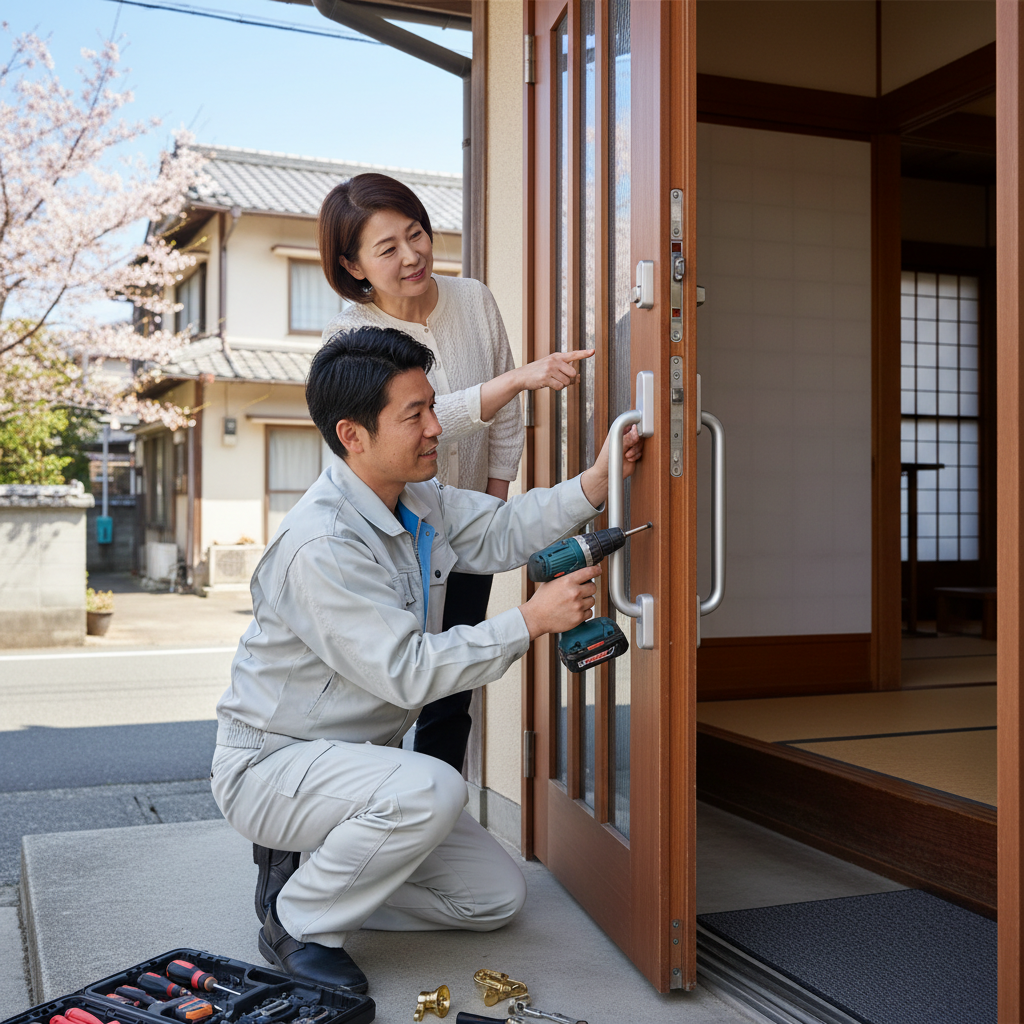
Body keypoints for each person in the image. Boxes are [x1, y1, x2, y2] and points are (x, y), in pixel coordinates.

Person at [210, 326, 642, 991]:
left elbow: (500, 530)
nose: (437, 427)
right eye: (415, 415)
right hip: (274, 767)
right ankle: (298, 920)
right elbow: (409, 670)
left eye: (432, 406)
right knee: (435, 786)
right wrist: (529, 621)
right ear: (353, 435)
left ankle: (318, 871)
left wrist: (593, 483)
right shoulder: (321, 544)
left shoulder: (415, 498)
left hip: (356, 766)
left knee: (493, 897)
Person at [317, 172, 593, 775]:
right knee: (384, 687)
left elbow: (504, 419)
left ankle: (435, 823)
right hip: (390, 534)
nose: (412, 255)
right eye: (387, 249)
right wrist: (519, 377)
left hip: (467, 530)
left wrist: (495, 503)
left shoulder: (471, 298)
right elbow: (424, 419)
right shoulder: (350, 337)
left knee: (451, 695)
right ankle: (372, 810)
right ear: (354, 264)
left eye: (416, 234)